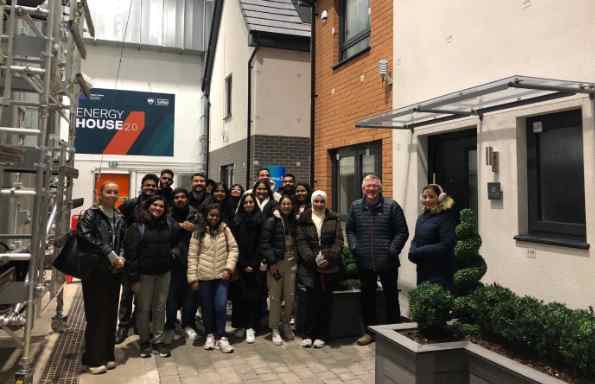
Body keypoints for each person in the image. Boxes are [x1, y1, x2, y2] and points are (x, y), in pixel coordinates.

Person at [346, 175, 409, 346]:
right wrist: (354, 247)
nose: (371, 189)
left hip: (387, 260)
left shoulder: (392, 206)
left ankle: (394, 333)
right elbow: (350, 230)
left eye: (374, 186)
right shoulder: (355, 206)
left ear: (380, 188)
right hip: (364, 260)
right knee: (367, 298)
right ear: (363, 188)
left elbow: (402, 232)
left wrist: (393, 249)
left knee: (391, 297)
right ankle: (369, 332)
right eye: (368, 186)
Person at [77, 182, 126, 374]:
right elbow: (85, 236)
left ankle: (107, 355)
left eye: (116, 191)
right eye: (109, 191)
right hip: (95, 271)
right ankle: (92, 358)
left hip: (114, 272)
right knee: (96, 314)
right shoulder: (91, 214)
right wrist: (109, 253)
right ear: (100, 193)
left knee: (110, 313)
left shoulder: (119, 216)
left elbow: (122, 240)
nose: (113, 194)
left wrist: (121, 256)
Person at [124, 195, 178, 358]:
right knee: (143, 309)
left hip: (164, 273)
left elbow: (176, 242)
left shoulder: (169, 224)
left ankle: (158, 341)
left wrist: (173, 254)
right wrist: (133, 279)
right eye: (155, 205)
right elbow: (131, 255)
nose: (158, 208)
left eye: (161, 206)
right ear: (148, 207)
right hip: (144, 275)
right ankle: (144, 341)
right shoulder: (137, 226)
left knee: (160, 308)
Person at [187, 204, 239, 353]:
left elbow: (234, 249)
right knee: (207, 307)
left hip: (222, 276)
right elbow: (192, 255)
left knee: (221, 306)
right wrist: (192, 278)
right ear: (206, 216)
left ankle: (222, 336)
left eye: (216, 215)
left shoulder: (225, 229)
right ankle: (210, 334)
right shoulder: (198, 232)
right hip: (204, 277)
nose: (214, 218)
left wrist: (229, 268)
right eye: (211, 215)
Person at [116, 173, 159, 344]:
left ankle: (139, 323)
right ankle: (123, 326)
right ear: (142, 186)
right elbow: (118, 221)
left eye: (153, 186)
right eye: (147, 185)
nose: (150, 188)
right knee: (127, 293)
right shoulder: (130, 204)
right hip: (131, 255)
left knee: (145, 294)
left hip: (148, 257)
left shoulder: (158, 205)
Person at [296, 190, 343, 349]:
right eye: (316, 201)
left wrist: (327, 258)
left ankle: (322, 335)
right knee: (309, 303)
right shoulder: (304, 219)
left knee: (325, 302)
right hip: (310, 267)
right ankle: (308, 334)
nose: (319, 204)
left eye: (322, 201)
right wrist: (313, 259)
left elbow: (338, 241)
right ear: (311, 202)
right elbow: (301, 243)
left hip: (328, 267)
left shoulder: (334, 218)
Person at [165, 188, 202, 343]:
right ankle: (171, 325)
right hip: (172, 262)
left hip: (191, 261)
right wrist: (179, 226)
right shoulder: (167, 214)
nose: (180, 199)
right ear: (173, 200)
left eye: (183, 197)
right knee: (171, 297)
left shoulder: (196, 214)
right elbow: (162, 233)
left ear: (188, 198)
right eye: (177, 197)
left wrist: (196, 229)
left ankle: (189, 324)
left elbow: (205, 232)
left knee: (190, 297)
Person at [260, 195, 298, 346]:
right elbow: (264, 243)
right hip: (276, 263)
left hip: (292, 262)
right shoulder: (271, 221)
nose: (287, 206)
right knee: (275, 297)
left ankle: (286, 324)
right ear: (279, 205)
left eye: (289, 204)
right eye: (284, 204)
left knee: (290, 296)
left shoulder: (295, 221)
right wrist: (272, 261)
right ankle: (274, 328)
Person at [229, 193, 265, 344]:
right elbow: (233, 244)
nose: (249, 205)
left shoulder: (261, 221)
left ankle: (251, 326)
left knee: (254, 298)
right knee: (239, 297)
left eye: (251, 202)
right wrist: (243, 264)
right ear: (242, 205)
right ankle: (240, 326)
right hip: (240, 264)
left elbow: (262, 243)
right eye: (246, 203)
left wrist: (253, 263)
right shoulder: (236, 221)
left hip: (255, 266)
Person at [408, 184, 457, 289]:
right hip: (422, 269)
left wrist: (419, 252)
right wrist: (412, 250)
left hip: (439, 271)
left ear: (439, 198)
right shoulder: (421, 217)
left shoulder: (446, 217)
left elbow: (447, 244)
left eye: (431, 196)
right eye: (425, 197)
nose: (427, 200)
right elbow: (416, 239)